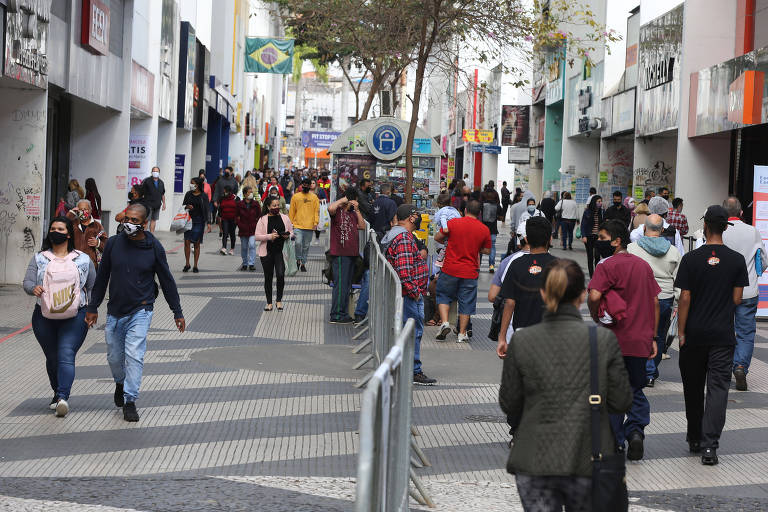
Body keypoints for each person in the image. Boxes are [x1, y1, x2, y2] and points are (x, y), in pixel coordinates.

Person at [499, 259, 632, 512]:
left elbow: (509, 402)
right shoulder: (602, 341)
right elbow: (621, 401)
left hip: (534, 457)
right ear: (582, 295)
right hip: (589, 456)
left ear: (542, 293)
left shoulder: (523, 341)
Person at [85, 204, 185, 422]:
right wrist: (93, 307)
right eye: (126, 219)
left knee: (134, 354)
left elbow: (167, 280)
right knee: (114, 356)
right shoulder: (113, 244)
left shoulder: (153, 247)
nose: (128, 224)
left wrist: (177, 311)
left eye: (134, 220)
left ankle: (130, 400)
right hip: (115, 311)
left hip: (141, 308)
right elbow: (102, 278)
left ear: (144, 223)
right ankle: (120, 383)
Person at [676, 205, 749, 465]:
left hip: (694, 334)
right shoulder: (737, 260)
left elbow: (684, 297)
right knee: (718, 390)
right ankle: (710, 447)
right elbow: (737, 299)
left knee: (693, 388)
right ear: (725, 228)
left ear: (705, 226)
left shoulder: (691, 259)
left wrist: (681, 332)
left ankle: (694, 437)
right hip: (722, 335)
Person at [587, 219, 660, 461]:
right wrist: (652, 336)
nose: (600, 242)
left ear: (617, 241)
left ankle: (616, 441)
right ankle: (636, 430)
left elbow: (595, 294)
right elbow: (655, 302)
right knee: (635, 387)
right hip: (640, 340)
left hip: (613, 339)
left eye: (604, 238)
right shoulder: (643, 266)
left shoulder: (606, 266)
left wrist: (595, 313)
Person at [23, 216, 96, 417]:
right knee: (52, 357)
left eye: (61, 229)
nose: (56, 231)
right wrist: (33, 288)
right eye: (53, 228)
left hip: (76, 316)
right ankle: (57, 392)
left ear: (69, 234)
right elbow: (27, 282)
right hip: (43, 317)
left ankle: (63, 397)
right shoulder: (39, 258)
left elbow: (92, 287)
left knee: (65, 353)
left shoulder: (83, 259)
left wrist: (92, 310)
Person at [384, 204, 436, 386]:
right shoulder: (404, 238)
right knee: (412, 333)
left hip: (406, 294)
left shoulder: (396, 234)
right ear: (412, 217)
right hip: (409, 296)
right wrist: (415, 293)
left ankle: (407, 367)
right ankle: (413, 370)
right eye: (418, 215)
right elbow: (404, 272)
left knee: (408, 332)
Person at [627, 214, 681, 387]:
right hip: (664, 297)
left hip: (638, 297)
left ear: (644, 228)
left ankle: (639, 369)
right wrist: (677, 302)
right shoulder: (673, 251)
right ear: (663, 231)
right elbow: (678, 280)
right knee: (658, 336)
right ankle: (650, 373)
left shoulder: (631, 249)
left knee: (638, 333)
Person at [722, 196, 767, 391]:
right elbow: (764, 260)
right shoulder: (753, 232)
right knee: (746, 333)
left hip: (722, 291)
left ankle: (721, 369)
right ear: (741, 213)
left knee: (723, 330)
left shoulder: (719, 231)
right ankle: (740, 366)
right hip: (748, 290)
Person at [498, 217, 557, 361]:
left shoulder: (516, 264)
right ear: (550, 239)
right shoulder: (559, 266)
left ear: (526, 239)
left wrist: (502, 337)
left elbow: (510, 303)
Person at [433, 200, 491, 343]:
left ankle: (445, 322)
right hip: (470, 271)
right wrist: (474, 247)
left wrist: (451, 242)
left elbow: (437, 237)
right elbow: (487, 251)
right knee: (467, 302)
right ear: (479, 214)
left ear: (465, 211)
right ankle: (462, 333)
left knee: (443, 295)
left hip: (450, 268)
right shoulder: (484, 229)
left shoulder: (453, 223)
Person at [328, 188, 366, 324]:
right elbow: (331, 207)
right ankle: (336, 315)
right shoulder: (337, 212)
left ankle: (343, 312)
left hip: (352, 254)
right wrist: (344, 199)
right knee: (341, 285)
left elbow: (362, 226)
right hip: (340, 254)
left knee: (346, 285)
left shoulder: (353, 214)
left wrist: (357, 210)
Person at [254, 196, 294, 311]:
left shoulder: (285, 218)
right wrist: (269, 236)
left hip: (281, 252)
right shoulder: (263, 220)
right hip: (267, 252)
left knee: (281, 275)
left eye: (278, 205)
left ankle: (279, 300)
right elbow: (256, 236)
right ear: (268, 207)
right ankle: (269, 302)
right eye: (274, 206)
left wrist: (288, 235)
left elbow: (291, 231)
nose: (277, 207)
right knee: (268, 277)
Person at [289, 177, 320, 272]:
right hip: (297, 225)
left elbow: (316, 211)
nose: (305, 186)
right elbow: (292, 211)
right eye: (304, 184)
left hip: (309, 226)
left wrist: (315, 223)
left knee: (306, 246)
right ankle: (298, 259)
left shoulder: (314, 197)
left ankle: (303, 263)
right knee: (298, 243)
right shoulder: (295, 196)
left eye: (307, 184)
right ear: (301, 185)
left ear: (310, 186)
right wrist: (290, 223)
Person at [66, 199, 107, 268]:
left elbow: (106, 244)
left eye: (85, 209)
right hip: (73, 264)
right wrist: (71, 213)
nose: (83, 211)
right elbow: (62, 224)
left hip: (91, 265)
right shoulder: (73, 224)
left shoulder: (97, 225)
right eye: (81, 209)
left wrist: (98, 243)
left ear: (90, 210)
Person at [182, 177, 211, 273]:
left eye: (192, 183)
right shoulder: (188, 194)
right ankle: (187, 263)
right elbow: (183, 205)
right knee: (186, 242)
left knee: (196, 243)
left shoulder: (203, 196)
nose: (191, 185)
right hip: (188, 220)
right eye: (190, 183)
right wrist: (187, 206)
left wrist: (209, 222)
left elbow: (207, 209)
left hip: (199, 221)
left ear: (197, 185)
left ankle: (195, 265)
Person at [236, 185, 261, 271]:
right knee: (244, 247)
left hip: (253, 228)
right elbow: (237, 216)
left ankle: (251, 263)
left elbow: (259, 215)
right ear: (245, 194)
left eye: (252, 192)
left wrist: (257, 225)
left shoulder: (256, 204)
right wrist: (240, 225)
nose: (251, 194)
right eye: (249, 192)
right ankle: (245, 263)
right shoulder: (239, 204)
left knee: (252, 245)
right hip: (243, 229)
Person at [580, 195, 604, 277]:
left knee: (597, 256)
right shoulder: (587, 211)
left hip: (598, 237)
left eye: (601, 201)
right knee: (590, 257)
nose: (600, 203)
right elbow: (583, 225)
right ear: (594, 202)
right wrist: (584, 236)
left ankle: (596, 274)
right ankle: (591, 276)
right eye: (598, 201)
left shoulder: (602, 212)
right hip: (589, 236)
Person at [140, 167, 166, 233]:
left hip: (157, 205)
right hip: (148, 204)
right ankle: (144, 235)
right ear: (151, 172)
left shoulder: (161, 182)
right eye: (154, 171)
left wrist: (164, 204)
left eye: (157, 171)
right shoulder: (147, 181)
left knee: (154, 220)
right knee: (146, 220)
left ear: (159, 173)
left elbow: (162, 194)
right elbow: (142, 192)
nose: (155, 172)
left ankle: (151, 235)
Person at [481, 188, 501, 272]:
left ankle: (478, 264)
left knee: (481, 247)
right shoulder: (497, 206)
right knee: (492, 247)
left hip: (482, 230)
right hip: (493, 230)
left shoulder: (482, 205)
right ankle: (491, 265)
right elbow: (501, 217)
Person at [218, 186, 238, 255]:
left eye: (225, 191)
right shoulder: (222, 198)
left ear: (230, 192)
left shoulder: (236, 198)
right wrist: (219, 217)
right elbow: (220, 208)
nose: (224, 192)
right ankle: (224, 248)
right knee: (225, 233)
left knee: (232, 234)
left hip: (233, 219)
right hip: (224, 218)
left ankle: (232, 249)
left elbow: (239, 208)